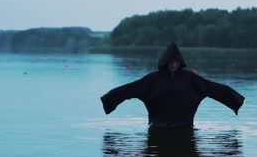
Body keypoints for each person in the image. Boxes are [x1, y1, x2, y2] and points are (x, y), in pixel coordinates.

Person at [101, 42, 245, 128]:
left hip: (184, 126)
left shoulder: (190, 78)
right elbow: (129, 89)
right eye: (170, 62)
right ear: (165, 62)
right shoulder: (152, 79)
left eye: (175, 62)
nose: (173, 65)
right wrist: (110, 99)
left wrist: (234, 99)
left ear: (179, 63)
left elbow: (213, 88)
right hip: (158, 126)